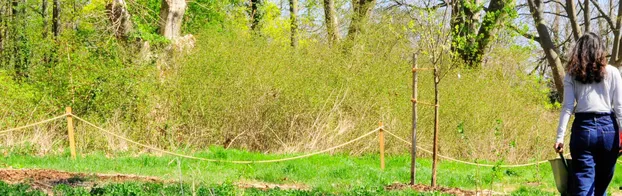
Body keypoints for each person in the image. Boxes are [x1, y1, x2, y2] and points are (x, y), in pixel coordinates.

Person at [555, 32, 622, 196]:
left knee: (584, 184)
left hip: (583, 130)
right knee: (601, 186)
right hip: (609, 130)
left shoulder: (572, 74)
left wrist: (559, 137)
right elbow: (619, 107)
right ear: (600, 50)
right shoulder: (613, 72)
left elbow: (567, 107)